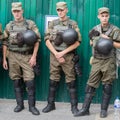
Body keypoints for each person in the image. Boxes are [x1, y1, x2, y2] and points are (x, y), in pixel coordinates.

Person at [74, 7, 120, 118]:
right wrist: (96, 39)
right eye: (102, 16)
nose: (104, 18)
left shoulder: (115, 30)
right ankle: (85, 109)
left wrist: (107, 39)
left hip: (109, 61)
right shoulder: (95, 29)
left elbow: (119, 45)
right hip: (97, 60)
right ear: (98, 16)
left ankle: (103, 110)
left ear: (108, 16)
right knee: (90, 85)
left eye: (106, 16)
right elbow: (91, 43)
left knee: (107, 85)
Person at [42, 1, 82, 115]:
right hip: (54, 56)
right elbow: (46, 40)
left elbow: (78, 42)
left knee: (71, 82)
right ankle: (50, 104)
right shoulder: (53, 24)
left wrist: (63, 53)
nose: (60, 12)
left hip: (68, 56)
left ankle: (74, 107)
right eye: (58, 10)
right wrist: (56, 53)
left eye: (62, 10)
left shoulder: (72, 24)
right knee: (53, 80)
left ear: (66, 10)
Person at [2, 2, 41, 115]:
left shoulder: (30, 24)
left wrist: (33, 57)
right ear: (12, 12)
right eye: (15, 11)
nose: (17, 13)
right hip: (13, 56)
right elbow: (5, 42)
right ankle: (19, 104)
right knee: (16, 81)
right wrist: (5, 59)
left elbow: (37, 40)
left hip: (27, 56)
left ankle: (32, 106)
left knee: (30, 82)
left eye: (18, 11)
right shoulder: (9, 26)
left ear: (22, 11)